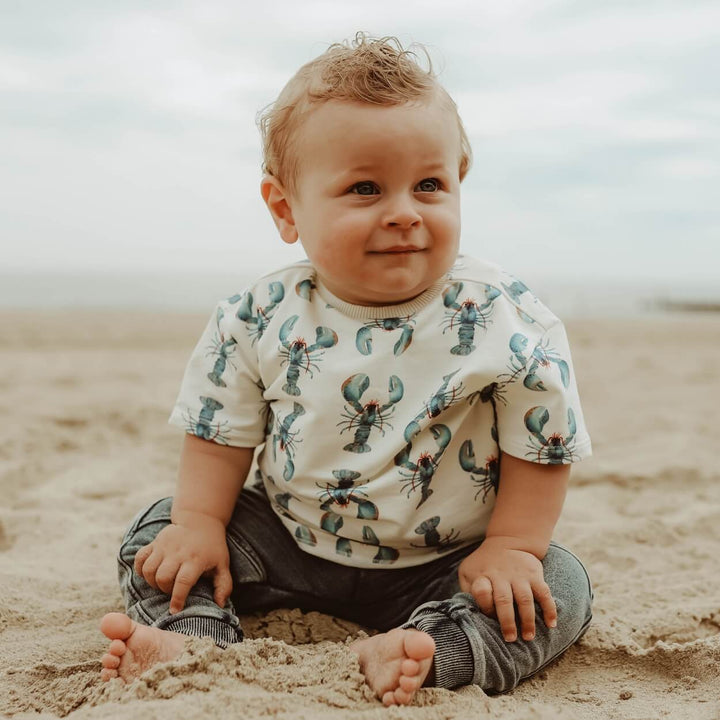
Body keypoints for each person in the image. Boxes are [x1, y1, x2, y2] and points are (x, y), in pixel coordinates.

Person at [99, 33, 593, 706]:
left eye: (429, 185)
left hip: (444, 563)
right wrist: (200, 523)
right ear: (286, 209)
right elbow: (220, 434)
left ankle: (428, 651)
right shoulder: (259, 316)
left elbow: (543, 443)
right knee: (161, 531)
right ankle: (195, 637)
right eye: (365, 188)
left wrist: (511, 545)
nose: (404, 213)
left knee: (559, 582)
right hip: (288, 543)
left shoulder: (506, 320)